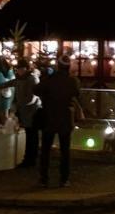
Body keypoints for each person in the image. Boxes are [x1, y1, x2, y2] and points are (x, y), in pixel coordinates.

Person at [35, 57, 82, 188]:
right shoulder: (72, 81)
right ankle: (64, 179)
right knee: (65, 151)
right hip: (65, 119)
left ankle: (44, 179)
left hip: (49, 118)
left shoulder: (50, 79)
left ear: (58, 65)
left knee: (45, 150)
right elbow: (77, 93)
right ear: (68, 67)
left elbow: (36, 90)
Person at [0, 59, 42, 168]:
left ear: (26, 69)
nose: (18, 71)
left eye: (20, 69)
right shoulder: (19, 79)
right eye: (17, 69)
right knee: (30, 134)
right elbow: (6, 84)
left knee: (32, 135)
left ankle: (31, 159)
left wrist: (20, 104)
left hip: (32, 111)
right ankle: (29, 159)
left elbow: (33, 96)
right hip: (24, 111)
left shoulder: (32, 79)